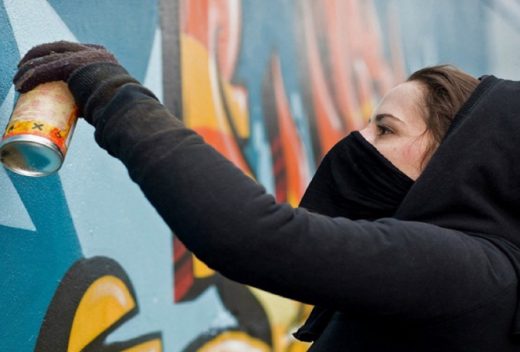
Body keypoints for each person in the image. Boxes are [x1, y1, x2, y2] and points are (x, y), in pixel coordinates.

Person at [12, 41, 520, 351]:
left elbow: (252, 236)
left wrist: (112, 94)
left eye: (385, 130)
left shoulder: (467, 271)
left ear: (459, 159)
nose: (356, 144)